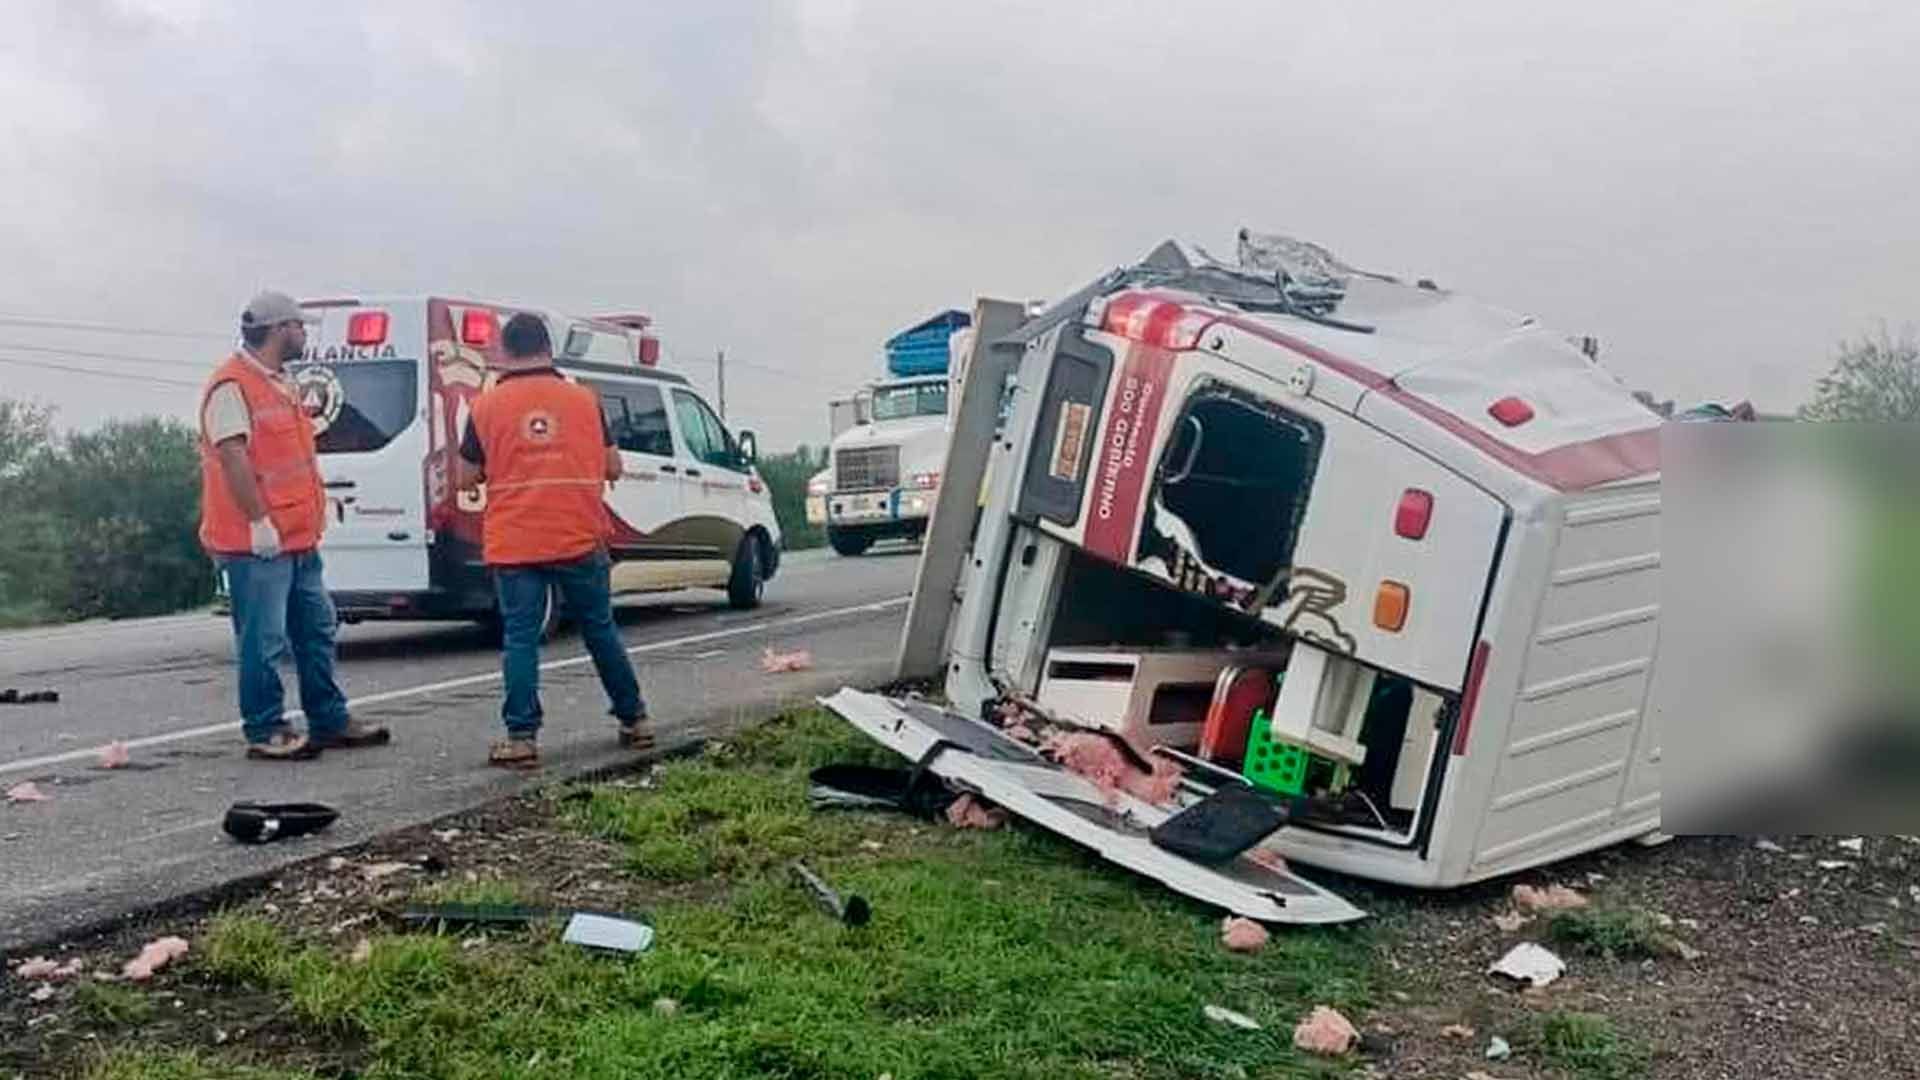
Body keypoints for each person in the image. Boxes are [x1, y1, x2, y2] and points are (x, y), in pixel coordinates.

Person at [199, 291, 391, 760]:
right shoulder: (232, 385)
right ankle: (265, 729)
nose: (304, 334)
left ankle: (329, 719)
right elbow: (233, 458)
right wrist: (258, 522)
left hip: (299, 540)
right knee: (263, 641)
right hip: (258, 544)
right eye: (299, 327)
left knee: (316, 630)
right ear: (279, 328)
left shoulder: (281, 382)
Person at [457, 312, 651, 769]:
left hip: (516, 543)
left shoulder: (485, 407)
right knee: (600, 630)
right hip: (579, 536)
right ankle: (635, 720)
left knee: (521, 638)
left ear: (505, 352)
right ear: (548, 348)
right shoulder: (584, 401)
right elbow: (614, 467)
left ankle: (522, 738)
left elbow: (466, 476)